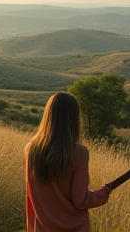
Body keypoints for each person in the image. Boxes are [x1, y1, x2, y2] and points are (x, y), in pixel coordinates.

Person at [25, 92, 112, 232]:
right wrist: (104, 193)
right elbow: (81, 200)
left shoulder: (31, 150)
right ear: (74, 119)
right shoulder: (79, 154)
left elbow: (31, 196)